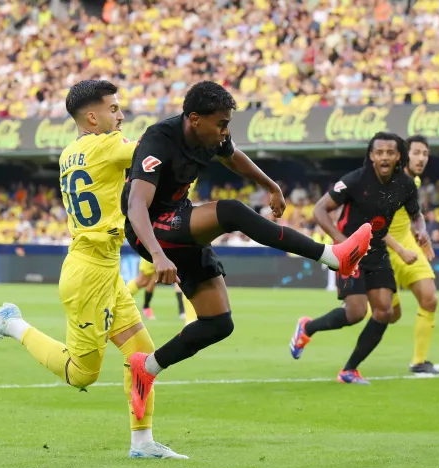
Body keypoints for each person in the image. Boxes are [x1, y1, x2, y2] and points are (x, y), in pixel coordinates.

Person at [121, 81, 373, 421]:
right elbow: (136, 206)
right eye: (221, 124)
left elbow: (233, 157)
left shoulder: (212, 137)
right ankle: (333, 256)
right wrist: (157, 254)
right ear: (194, 119)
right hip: (149, 229)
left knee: (218, 323)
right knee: (231, 211)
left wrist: (271, 185)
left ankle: (147, 368)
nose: (226, 131)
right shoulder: (159, 139)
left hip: (179, 226)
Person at [0, 80, 186, 459]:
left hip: (102, 267)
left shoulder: (70, 152)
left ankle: (142, 443)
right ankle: (11, 324)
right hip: (89, 275)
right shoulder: (107, 145)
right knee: (82, 374)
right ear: (92, 117)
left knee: (141, 351)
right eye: (114, 109)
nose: (121, 116)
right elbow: (153, 152)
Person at [288, 132, 429, 384]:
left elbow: (415, 214)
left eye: (390, 153)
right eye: (379, 152)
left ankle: (349, 370)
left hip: (377, 251)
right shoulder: (355, 180)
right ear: (371, 155)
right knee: (355, 313)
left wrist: (421, 230)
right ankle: (307, 327)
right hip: (349, 252)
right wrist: (342, 242)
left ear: (399, 156)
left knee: (384, 312)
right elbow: (320, 209)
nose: (384, 157)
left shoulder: (405, 185)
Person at [382, 135, 439, 375]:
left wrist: (422, 234)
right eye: (416, 153)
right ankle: (359, 300)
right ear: (403, 155)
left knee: (430, 298)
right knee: (390, 315)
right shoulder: (386, 180)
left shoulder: (414, 181)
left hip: (408, 245)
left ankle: (419, 362)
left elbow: (416, 214)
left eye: (425, 154)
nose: (421, 158)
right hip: (384, 250)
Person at [126, 180, 200, 322]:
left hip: (173, 229)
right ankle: (115, 304)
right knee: (144, 280)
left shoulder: (182, 177)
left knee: (186, 273)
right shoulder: (163, 179)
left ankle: (190, 320)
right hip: (156, 234)